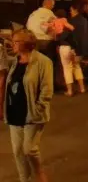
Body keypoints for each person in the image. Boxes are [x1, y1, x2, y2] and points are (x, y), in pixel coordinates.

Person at [3, 30, 53, 182]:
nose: (13, 44)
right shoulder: (15, 61)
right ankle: (24, 179)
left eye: (16, 41)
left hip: (32, 112)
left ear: (27, 43)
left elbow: (47, 89)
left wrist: (39, 107)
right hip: (14, 111)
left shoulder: (43, 62)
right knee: (18, 151)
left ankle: (39, 173)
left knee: (29, 149)